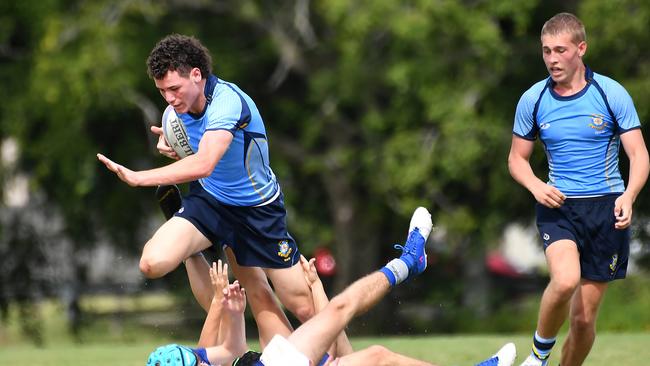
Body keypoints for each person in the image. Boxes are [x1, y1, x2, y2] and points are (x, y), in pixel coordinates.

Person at [97, 34, 315, 345]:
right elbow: (189, 147)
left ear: (197, 75)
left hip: (257, 209)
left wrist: (138, 177)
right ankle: (194, 246)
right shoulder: (174, 113)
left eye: (174, 89)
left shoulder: (227, 101)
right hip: (210, 200)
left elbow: (204, 163)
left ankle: (346, 360)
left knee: (303, 306)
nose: (170, 99)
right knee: (151, 263)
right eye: (162, 92)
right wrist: (170, 143)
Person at [147, 207, 518, 366]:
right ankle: (407, 262)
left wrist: (224, 305)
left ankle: (220, 225)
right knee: (371, 350)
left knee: (255, 288)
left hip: (266, 362)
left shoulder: (192, 359)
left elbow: (224, 348)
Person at [508, 12, 649, 366]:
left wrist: (629, 196)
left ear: (580, 49)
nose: (552, 59)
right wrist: (535, 186)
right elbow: (516, 159)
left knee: (583, 320)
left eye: (560, 50)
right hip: (559, 207)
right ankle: (539, 355)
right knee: (566, 279)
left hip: (606, 210)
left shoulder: (610, 93)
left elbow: (639, 154)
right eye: (545, 51)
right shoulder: (533, 99)